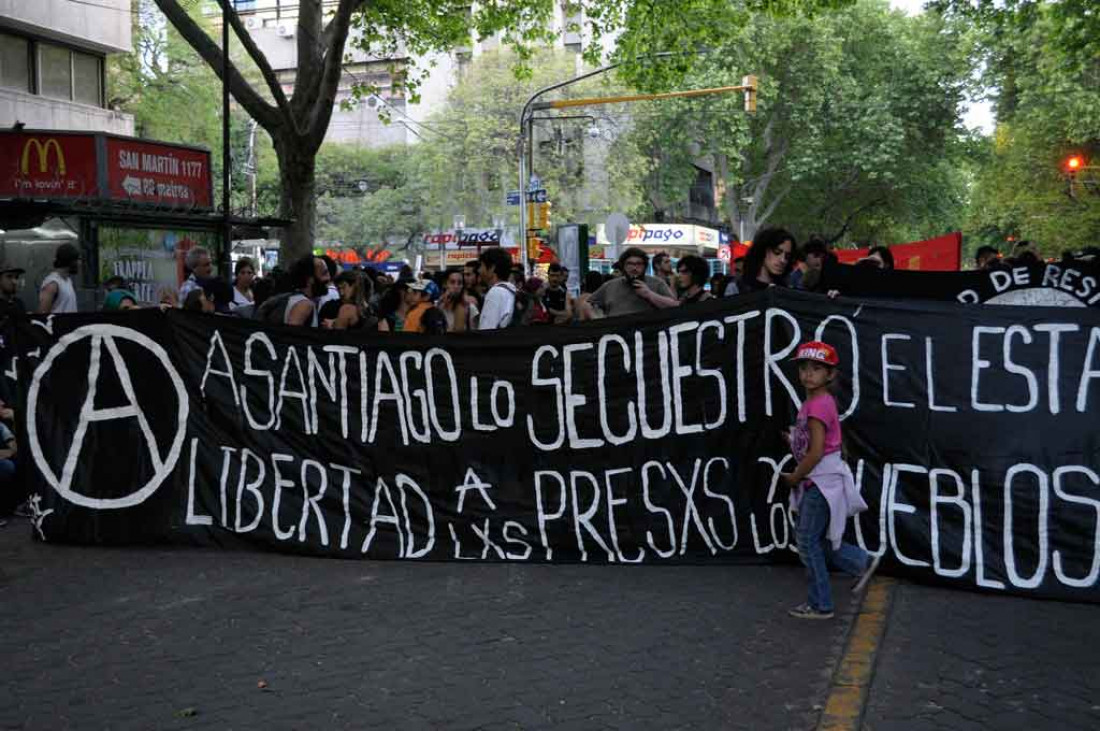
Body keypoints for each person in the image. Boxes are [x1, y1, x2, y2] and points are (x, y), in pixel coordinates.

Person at [781, 341, 880, 620]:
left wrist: (794, 477)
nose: (807, 374)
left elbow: (815, 452)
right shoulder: (815, 403)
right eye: (803, 367)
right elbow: (816, 445)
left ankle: (820, 604)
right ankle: (861, 561)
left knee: (806, 541)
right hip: (821, 480)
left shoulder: (817, 406)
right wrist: (793, 440)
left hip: (819, 482)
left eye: (816, 369)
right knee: (814, 538)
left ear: (830, 375)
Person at [587, 247, 674, 318]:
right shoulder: (610, 286)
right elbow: (588, 303)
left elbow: (675, 306)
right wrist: (597, 318)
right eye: (630, 264)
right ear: (623, 267)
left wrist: (649, 294)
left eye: (639, 264)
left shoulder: (657, 283)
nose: (634, 268)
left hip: (647, 337)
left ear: (645, 267)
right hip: (618, 336)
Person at [726, 227, 796, 296]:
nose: (783, 260)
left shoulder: (788, 291)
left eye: (787, 256)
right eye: (777, 252)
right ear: (763, 250)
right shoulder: (737, 288)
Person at [478, 247, 518, 330]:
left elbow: (486, 331)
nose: (479, 270)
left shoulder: (496, 292)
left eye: (481, 266)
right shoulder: (511, 290)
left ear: (492, 268)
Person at [38, 243, 81, 314]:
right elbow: (42, 313)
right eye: (77, 260)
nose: (80, 263)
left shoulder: (68, 281)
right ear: (70, 261)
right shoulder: (53, 284)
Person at [285, 254, 323, 327]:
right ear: (310, 279)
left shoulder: (298, 298)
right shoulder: (304, 304)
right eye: (322, 273)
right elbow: (290, 334)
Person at [439, 267, 479, 332]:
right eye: (452, 282)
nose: (456, 286)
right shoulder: (440, 306)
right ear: (445, 284)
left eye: (460, 283)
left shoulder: (470, 307)